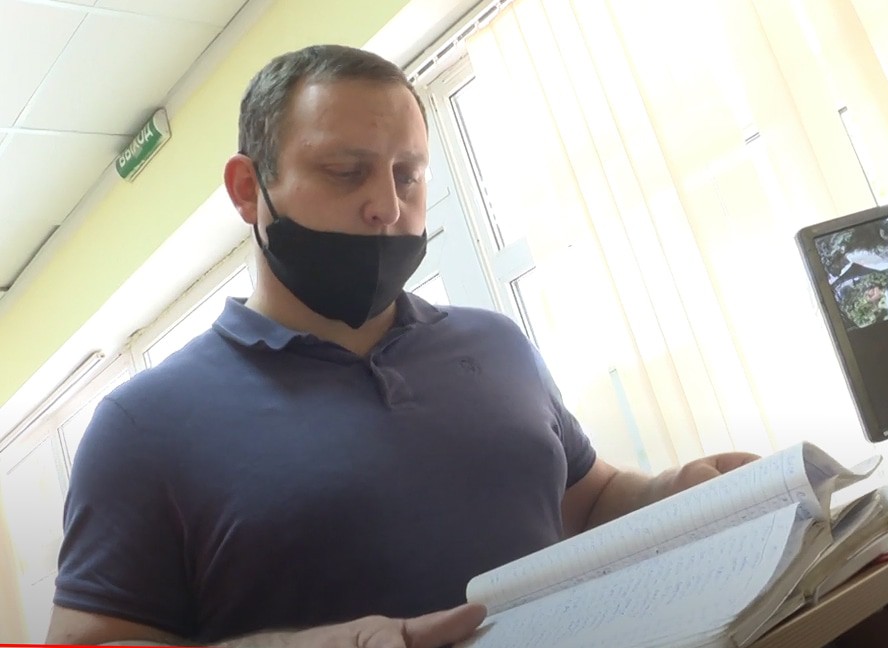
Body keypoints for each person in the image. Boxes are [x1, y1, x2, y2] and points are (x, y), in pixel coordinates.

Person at [44, 44, 757, 648]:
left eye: (408, 175)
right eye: (345, 172)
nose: (387, 205)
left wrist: (674, 493)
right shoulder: (142, 426)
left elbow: (588, 499)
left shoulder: (498, 343)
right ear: (248, 190)